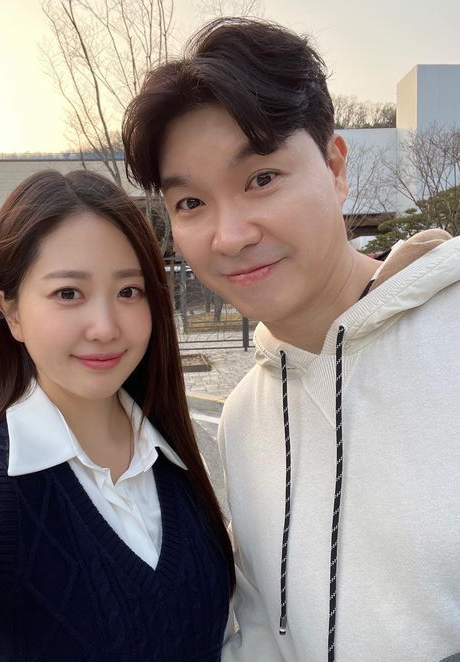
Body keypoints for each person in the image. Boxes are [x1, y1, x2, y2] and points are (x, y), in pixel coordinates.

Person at [122, 17, 460, 662]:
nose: (230, 236)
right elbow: (261, 626)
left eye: (261, 179)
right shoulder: (245, 416)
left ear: (334, 167)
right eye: (190, 203)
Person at [0, 170, 234, 661]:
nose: (105, 328)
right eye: (68, 293)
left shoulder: (175, 459)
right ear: (11, 313)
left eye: (129, 291)